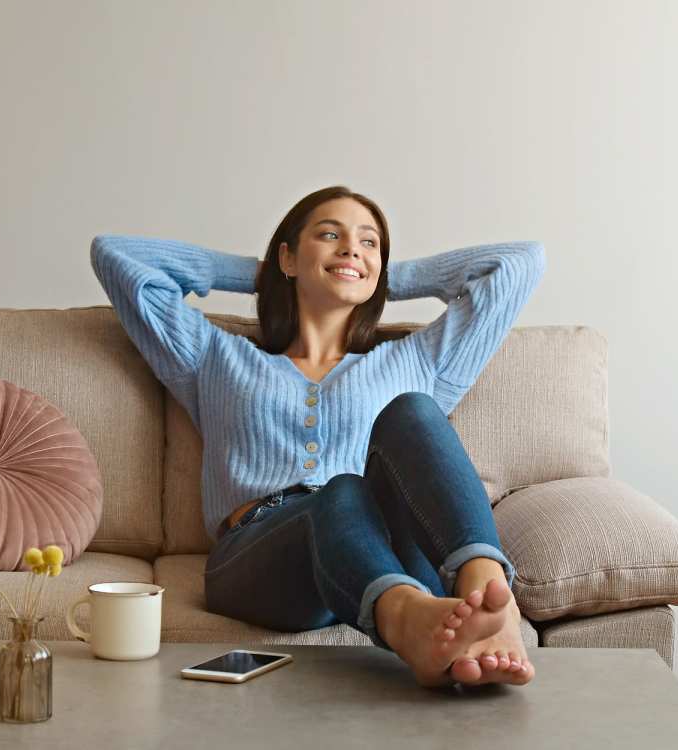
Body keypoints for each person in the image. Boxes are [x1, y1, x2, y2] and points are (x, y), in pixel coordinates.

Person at [90, 185, 546, 688]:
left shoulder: (417, 361)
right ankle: (407, 617)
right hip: (263, 560)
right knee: (342, 489)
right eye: (330, 235)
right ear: (287, 255)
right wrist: (265, 274)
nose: (352, 248)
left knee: (413, 411)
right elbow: (117, 255)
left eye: (369, 242)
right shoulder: (213, 357)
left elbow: (519, 264)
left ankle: (485, 590)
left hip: (388, 549)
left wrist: (383, 278)